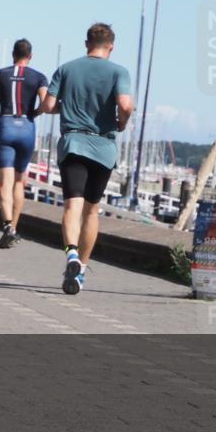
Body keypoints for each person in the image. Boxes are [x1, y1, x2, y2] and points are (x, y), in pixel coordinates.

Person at [37, 23, 133, 295]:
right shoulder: (119, 72)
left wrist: (68, 106)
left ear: (86, 43)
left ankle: (71, 255)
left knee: (72, 206)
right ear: (111, 46)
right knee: (92, 210)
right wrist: (121, 121)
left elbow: (48, 106)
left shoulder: (67, 69)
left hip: (74, 144)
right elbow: (125, 105)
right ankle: (81, 273)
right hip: (103, 147)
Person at [0, 39, 49, 249]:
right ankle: (14, 228)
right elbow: (47, 103)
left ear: (13, 54)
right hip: (27, 128)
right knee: (20, 182)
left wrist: (1, 94)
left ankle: (8, 226)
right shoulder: (38, 76)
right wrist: (35, 112)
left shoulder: (1, 74)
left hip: (6, 125)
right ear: (30, 56)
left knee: (5, 182)